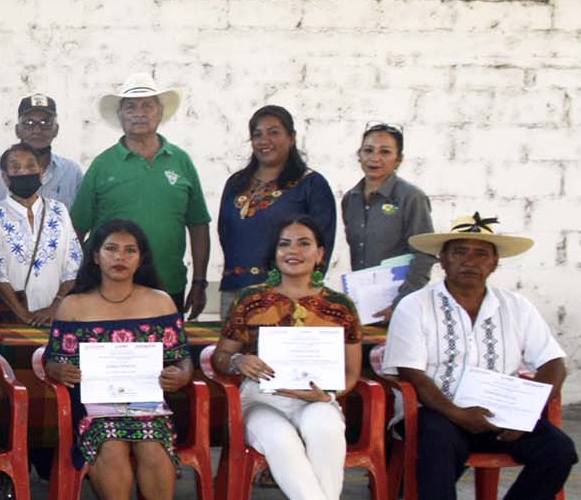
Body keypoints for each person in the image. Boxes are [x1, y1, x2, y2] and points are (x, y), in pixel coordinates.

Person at [379, 214, 575, 500]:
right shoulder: (415, 306)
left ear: (495, 263)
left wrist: (527, 413)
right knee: (435, 448)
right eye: (459, 252)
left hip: (503, 415)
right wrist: (456, 413)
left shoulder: (516, 307)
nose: (470, 260)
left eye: (481, 253)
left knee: (559, 452)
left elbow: (554, 363)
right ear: (442, 260)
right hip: (437, 412)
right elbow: (413, 374)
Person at [210, 217, 378, 500]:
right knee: (282, 441)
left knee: (325, 425)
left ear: (320, 254)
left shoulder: (339, 306)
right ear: (275, 254)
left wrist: (330, 393)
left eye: (304, 243)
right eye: (285, 244)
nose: (293, 251)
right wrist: (238, 362)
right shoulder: (250, 300)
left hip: (315, 397)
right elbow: (221, 357)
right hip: (263, 398)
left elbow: (352, 372)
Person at [43, 219, 196, 500]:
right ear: (95, 255)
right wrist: (59, 371)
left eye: (130, 250)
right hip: (94, 407)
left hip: (148, 404)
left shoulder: (159, 301)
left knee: (152, 445)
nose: (120, 257)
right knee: (110, 444)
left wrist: (183, 374)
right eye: (111, 248)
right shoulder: (74, 306)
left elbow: (182, 356)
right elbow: (52, 359)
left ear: (141, 258)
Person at [71, 77, 212, 319]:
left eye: (147, 105)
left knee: (166, 356)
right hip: (108, 290)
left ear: (160, 112)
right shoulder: (102, 165)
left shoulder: (181, 161)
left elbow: (198, 225)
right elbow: (76, 230)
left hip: (169, 285)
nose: (139, 113)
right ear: (120, 115)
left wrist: (199, 282)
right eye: (131, 107)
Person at [215, 105, 336, 315]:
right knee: (233, 348)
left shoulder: (311, 185)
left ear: (292, 137)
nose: (264, 140)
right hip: (236, 292)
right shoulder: (236, 183)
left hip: (289, 295)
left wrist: (305, 294)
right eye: (257, 134)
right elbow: (225, 233)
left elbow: (322, 243)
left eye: (274, 132)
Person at [340, 121, 434, 319]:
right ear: (359, 155)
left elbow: (425, 254)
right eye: (368, 150)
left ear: (399, 159)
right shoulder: (350, 199)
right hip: (364, 306)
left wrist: (400, 303)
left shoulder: (411, 197)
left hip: (401, 305)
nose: (375, 158)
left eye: (385, 152)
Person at [0, 142, 82, 326]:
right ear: (5, 177)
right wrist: (24, 314)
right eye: (15, 167)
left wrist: (54, 308)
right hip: (15, 316)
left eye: (30, 166)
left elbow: (73, 264)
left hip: (58, 315)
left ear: (41, 172)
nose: (24, 172)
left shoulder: (58, 210)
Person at [0, 93, 83, 222]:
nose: (37, 130)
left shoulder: (71, 172)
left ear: (56, 130)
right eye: (29, 123)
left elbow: (75, 226)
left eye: (45, 123)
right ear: (17, 130)